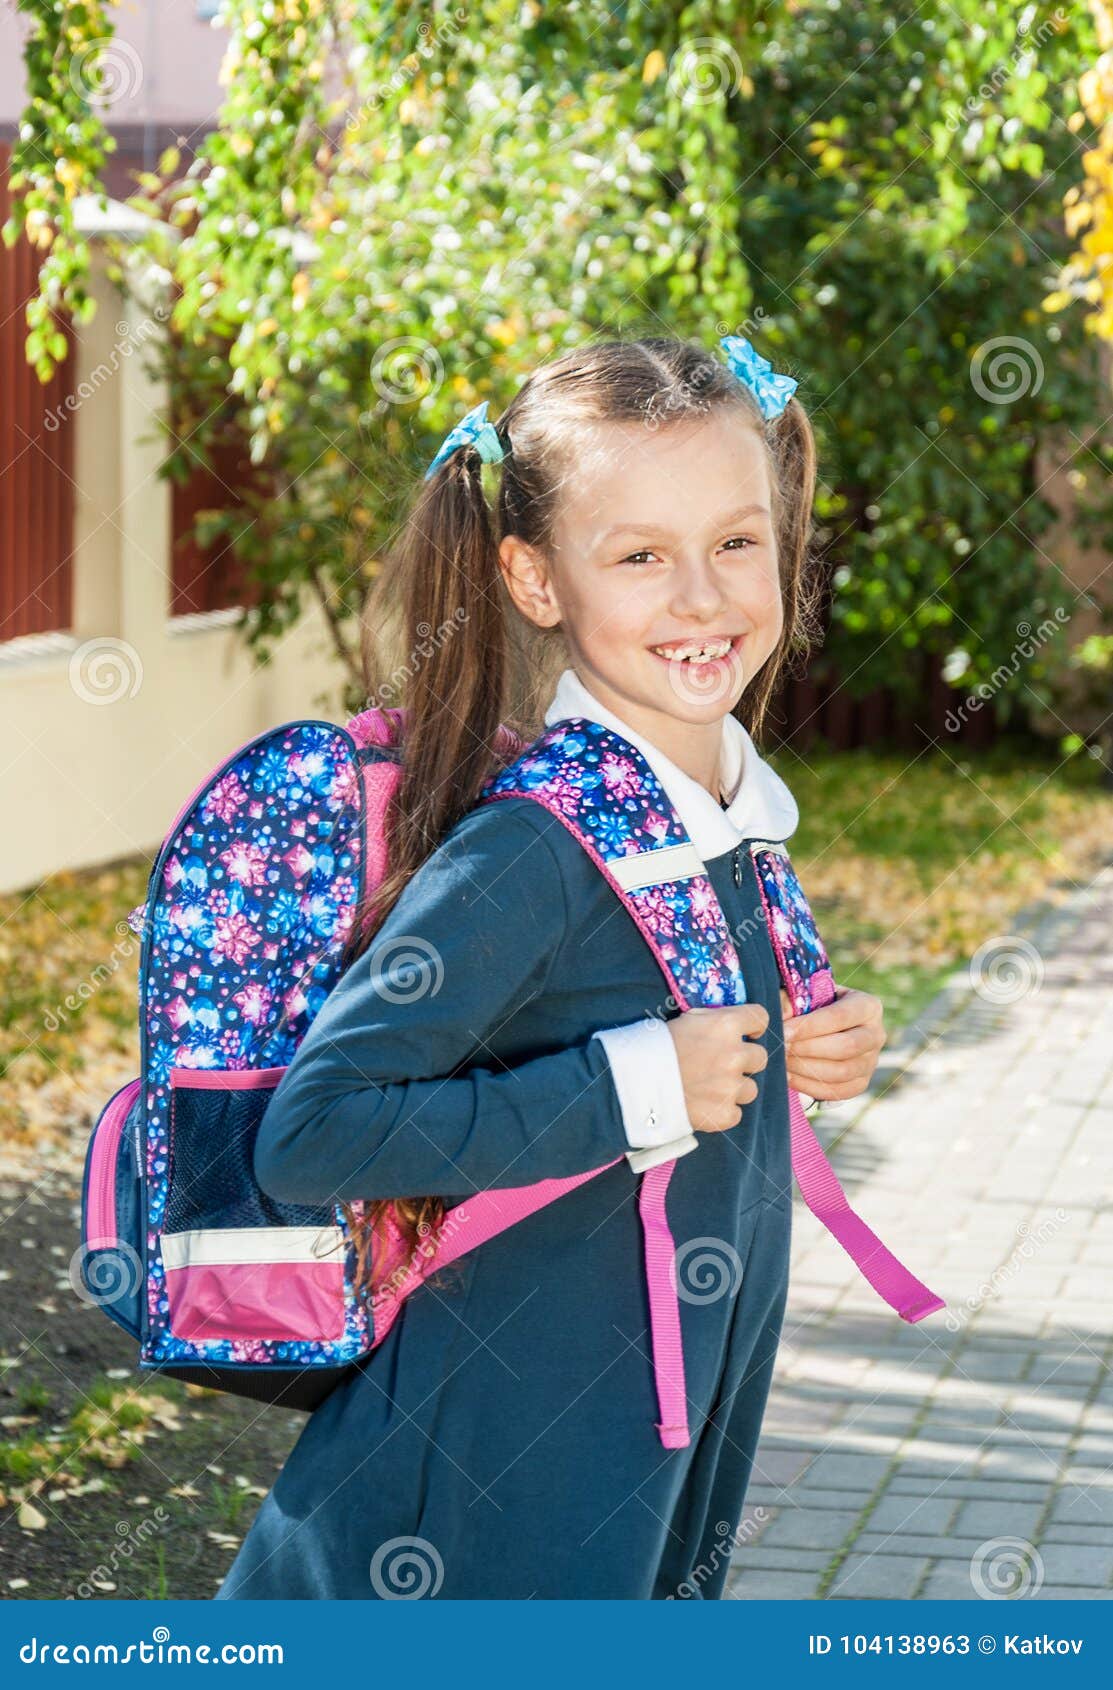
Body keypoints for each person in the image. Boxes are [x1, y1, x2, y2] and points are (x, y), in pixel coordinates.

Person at [215, 335, 886, 1601]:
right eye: (639, 555)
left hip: (655, 1435)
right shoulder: (538, 847)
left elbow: (681, 1048)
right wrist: (633, 1086)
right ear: (532, 578)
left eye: (738, 541)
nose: (703, 596)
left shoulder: (718, 827)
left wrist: (815, 1038)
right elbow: (314, 1132)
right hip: (481, 1488)